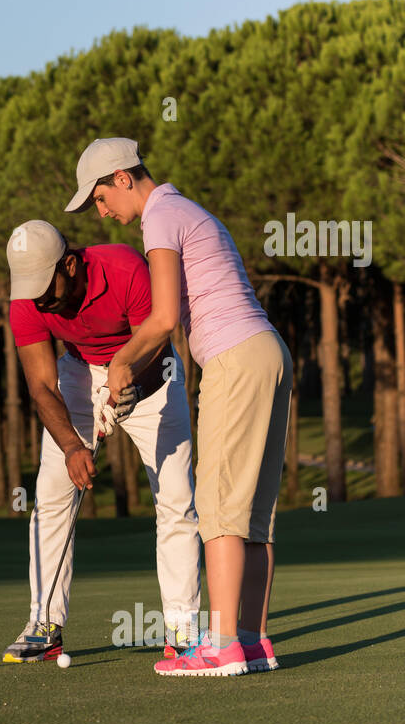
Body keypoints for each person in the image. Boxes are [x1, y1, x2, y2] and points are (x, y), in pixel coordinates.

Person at [65, 137, 291, 677]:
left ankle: (221, 646)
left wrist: (120, 363)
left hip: (235, 359)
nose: (101, 213)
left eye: (99, 198)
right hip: (270, 352)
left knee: (217, 508)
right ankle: (253, 642)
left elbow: (164, 316)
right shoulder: (190, 208)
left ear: (122, 178)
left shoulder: (160, 216)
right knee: (253, 515)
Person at [2, 219, 201, 663]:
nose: (40, 301)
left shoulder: (125, 267)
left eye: (46, 289)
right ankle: (44, 624)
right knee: (52, 497)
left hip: (153, 373)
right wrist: (73, 447)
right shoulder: (27, 300)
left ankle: (183, 628)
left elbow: (155, 341)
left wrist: (125, 391)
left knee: (176, 499)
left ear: (69, 265)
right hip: (77, 374)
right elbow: (41, 387)